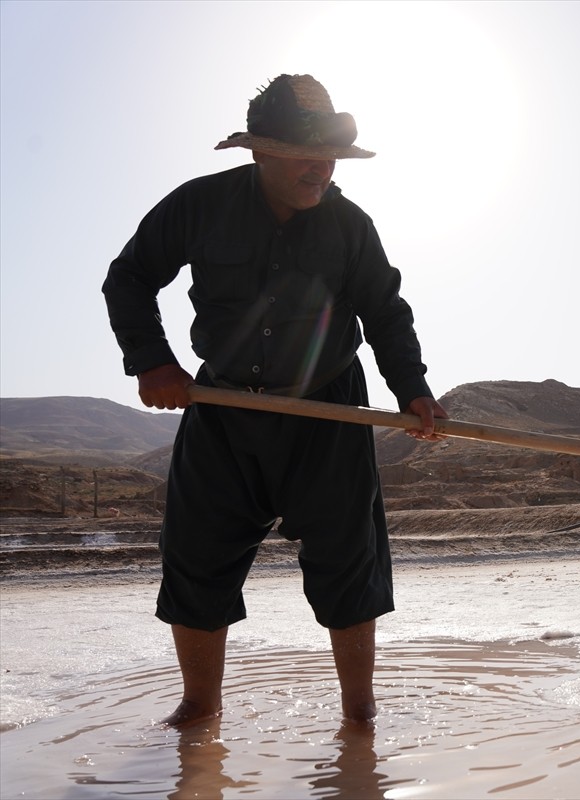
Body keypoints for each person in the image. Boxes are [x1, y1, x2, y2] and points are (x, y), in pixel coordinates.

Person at [102, 74, 448, 727]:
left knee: (349, 563)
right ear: (260, 150)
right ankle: (199, 709)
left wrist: (414, 391)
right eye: (303, 153)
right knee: (196, 558)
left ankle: (359, 716)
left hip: (328, 412)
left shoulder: (349, 226)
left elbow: (385, 314)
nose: (321, 168)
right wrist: (151, 360)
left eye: (330, 157)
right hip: (224, 408)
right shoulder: (200, 206)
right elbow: (131, 277)